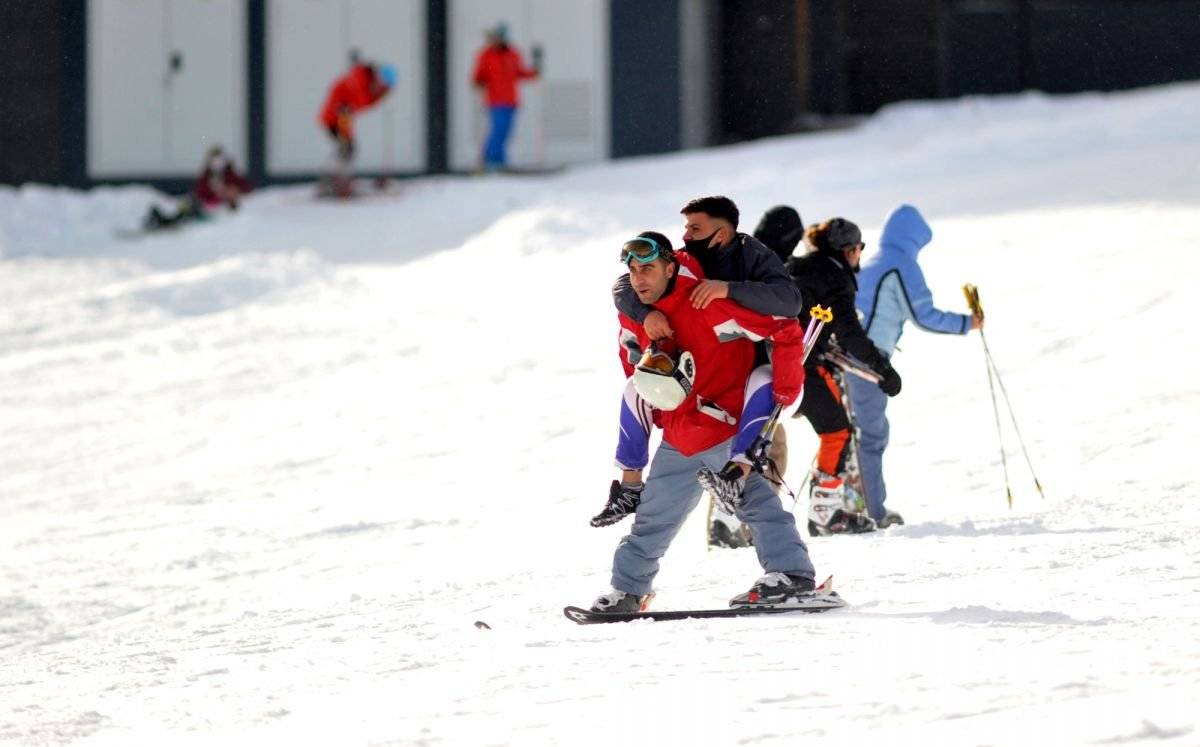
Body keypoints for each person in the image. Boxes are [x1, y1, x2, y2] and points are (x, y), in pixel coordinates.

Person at [587, 232, 818, 613]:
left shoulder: (707, 303)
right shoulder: (636, 312)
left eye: (648, 268)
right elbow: (634, 366)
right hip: (680, 434)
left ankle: (793, 575)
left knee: (757, 506)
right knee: (651, 519)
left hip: (725, 429)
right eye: (633, 270)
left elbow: (784, 327)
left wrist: (785, 390)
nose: (639, 278)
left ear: (670, 267)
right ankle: (628, 590)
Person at [609, 196, 802, 549]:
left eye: (694, 228)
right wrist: (644, 313)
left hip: (767, 373)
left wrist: (727, 289)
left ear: (722, 234)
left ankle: (744, 520)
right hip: (715, 381)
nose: (686, 235)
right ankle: (719, 513)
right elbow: (627, 283)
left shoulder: (753, 256)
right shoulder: (686, 260)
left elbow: (789, 305)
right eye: (685, 227)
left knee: (761, 449)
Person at [852, 204, 982, 524]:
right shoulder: (901, 265)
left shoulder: (873, 262)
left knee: (849, 434)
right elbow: (923, 315)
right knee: (871, 435)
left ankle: (847, 505)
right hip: (867, 362)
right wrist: (967, 323)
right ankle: (871, 511)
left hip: (848, 357)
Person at [788, 218, 902, 535]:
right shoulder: (836, 278)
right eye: (859, 248)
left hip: (766, 360)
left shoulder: (796, 265)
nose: (860, 255)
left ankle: (729, 520)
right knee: (837, 432)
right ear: (849, 250)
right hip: (803, 366)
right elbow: (850, 333)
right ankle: (826, 513)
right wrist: (883, 368)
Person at [317, 61, 395, 196]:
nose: (381, 86)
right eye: (381, 82)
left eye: (385, 86)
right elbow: (344, 90)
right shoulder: (359, 79)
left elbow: (359, 104)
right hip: (333, 119)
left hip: (345, 120)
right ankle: (333, 182)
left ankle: (337, 181)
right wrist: (343, 105)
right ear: (377, 76)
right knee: (346, 149)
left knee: (347, 150)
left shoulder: (374, 93)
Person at [471, 23, 541, 172]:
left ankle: (501, 162)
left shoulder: (513, 54)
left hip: (511, 101)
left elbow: (520, 73)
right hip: (495, 100)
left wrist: (535, 71)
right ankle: (489, 161)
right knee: (497, 131)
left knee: (506, 132)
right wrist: (478, 82)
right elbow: (478, 75)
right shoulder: (486, 55)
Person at [143, 146, 252, 230]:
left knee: (191, 208)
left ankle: (167, 222)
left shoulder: (231, 175)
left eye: (219, 159)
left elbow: (245, 188)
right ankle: (165, 221)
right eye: (214, 160)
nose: (217, 163)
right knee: (188, 204)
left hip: (216, 211)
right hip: (206, 206)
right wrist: (212, 190)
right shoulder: (207, 176)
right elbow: (200, 192)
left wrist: (228, 191)